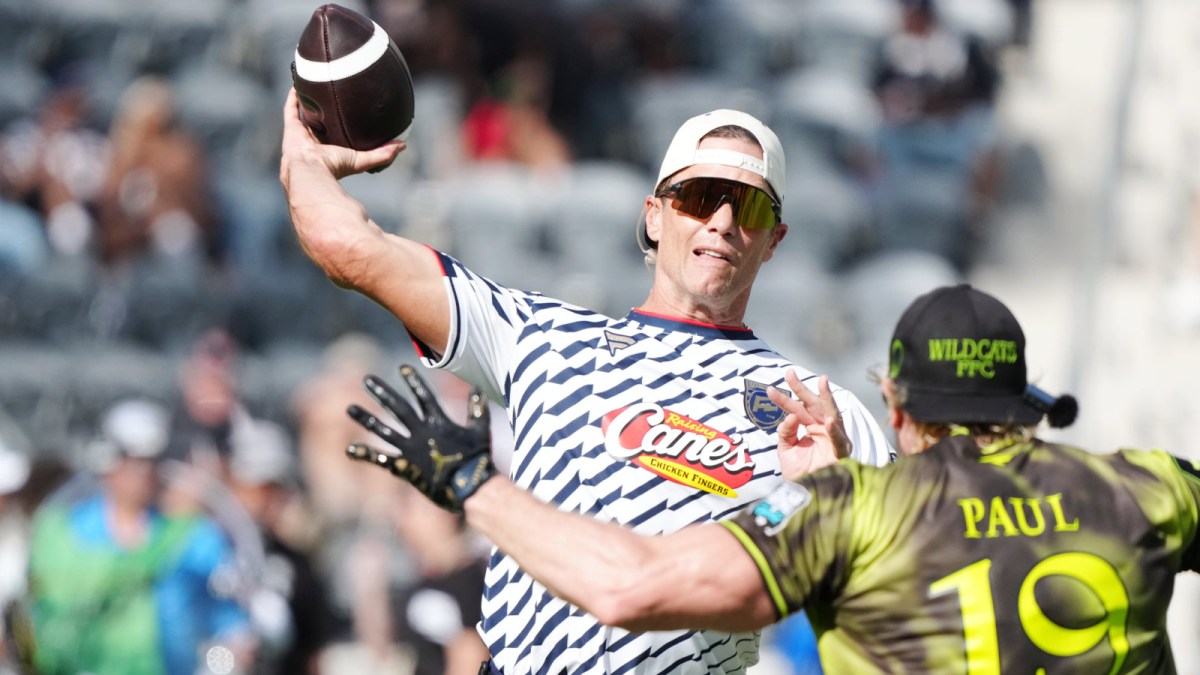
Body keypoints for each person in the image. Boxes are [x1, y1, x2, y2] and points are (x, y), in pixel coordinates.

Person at [280, 89, 894, 673]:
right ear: (655, 215)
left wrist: (829, 505)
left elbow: (918, 590)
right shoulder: (538, 337)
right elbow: (346, 246)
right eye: (701, 196)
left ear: (775, 241)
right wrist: (304, 159)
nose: (724, 221)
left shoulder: (818, 412)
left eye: (751, 206)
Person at [347, 283, 1200, 673]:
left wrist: (472, 485)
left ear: (897, 407)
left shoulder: (840, 511)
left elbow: (630, 587)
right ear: (1021, 404)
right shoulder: (1144, 486)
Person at [25, 398, 254, 675]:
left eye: (153, 460)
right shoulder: (63, 534)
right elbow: (45, 610)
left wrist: (218, 667)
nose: (145, 472)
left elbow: (231, 626)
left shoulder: (192, 537)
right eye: (135, 460)